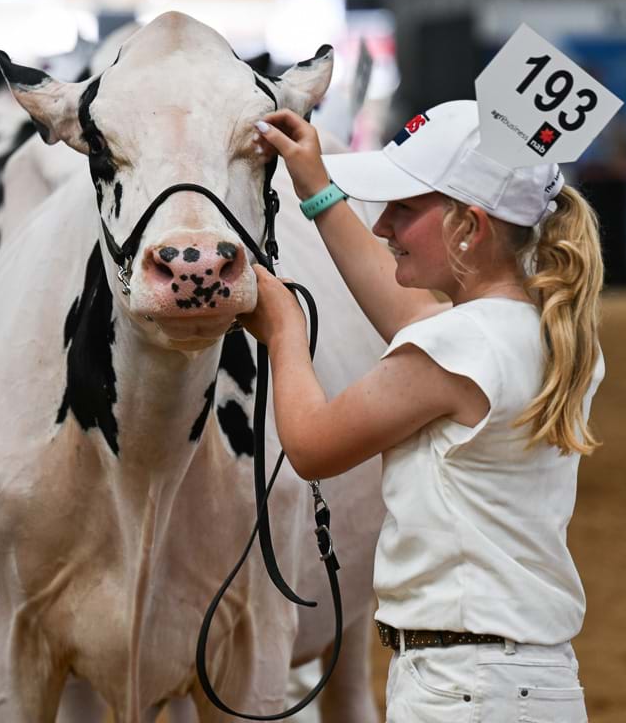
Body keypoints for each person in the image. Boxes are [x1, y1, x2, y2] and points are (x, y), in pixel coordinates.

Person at [244, 100, 606, 722]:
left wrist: (283, 332)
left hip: (461, 690)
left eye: (404, 210)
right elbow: (407, 315)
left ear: (469, 226)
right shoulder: (541, 329)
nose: (382, 227)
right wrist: (317, 188)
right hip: (530, 681)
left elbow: (309, 446)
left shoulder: (454, 346)